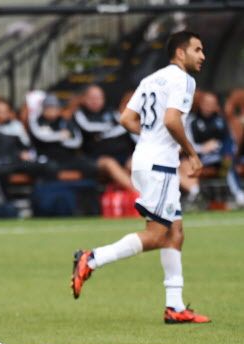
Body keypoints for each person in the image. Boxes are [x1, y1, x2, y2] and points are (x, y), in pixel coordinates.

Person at [71, 31, 210, 324]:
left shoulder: (151, 79)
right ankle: (92, 258)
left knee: (175, 233)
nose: (202, 56)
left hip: (148, 159)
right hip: (160, 164)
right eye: (197, 49)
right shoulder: (183, 80)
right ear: (180, 53)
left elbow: (126, 119)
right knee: (158, 235)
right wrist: (191, 153)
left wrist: (151, 139)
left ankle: (174, 306)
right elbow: (172, 120)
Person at [0, 98, 58, 200]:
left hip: (17, 160)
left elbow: (27, 146)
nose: (1, 114)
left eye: (5, 112)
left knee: (49, 167)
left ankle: (45, 200)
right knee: (1, 172)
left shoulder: (15, 126)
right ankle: (6, 204)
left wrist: (26, 153)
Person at [180, 92, 244, 206]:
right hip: (201, 158)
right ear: (201, 104)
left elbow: (229, 140)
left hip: (221, 156)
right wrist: (202, 148)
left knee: (229, 161)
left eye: (212, 104)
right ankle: (238, 195)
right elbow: (186, 144)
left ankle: (237, 195)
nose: (209, 107)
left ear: (216, 106)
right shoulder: (191, 121)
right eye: (206, 104)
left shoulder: (221, 121)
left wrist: (228, 152)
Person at [73, 85, 136, 191]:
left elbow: (124, 125)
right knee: (110, 164)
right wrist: (109, 128)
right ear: (84, 99)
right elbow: (89, 128)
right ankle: (137, 195)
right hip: (95, 159)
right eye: (92, 98)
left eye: (98, 98)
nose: (95, 101)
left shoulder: (110, 112)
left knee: (136, 161)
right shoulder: (80, 114)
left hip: (122, 154)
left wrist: (105, 132)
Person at [28, 94, 98, 180]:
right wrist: (60, 136)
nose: (52, 110)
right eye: (49, 108)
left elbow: (77, 141)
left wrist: (63, 142)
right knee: (50, 169)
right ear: (43, 109)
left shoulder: (64, 121)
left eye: (55, 107)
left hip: (66, 157)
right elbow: (41, 136)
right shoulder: (38, 121)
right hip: (47, 158)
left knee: (90, 165)